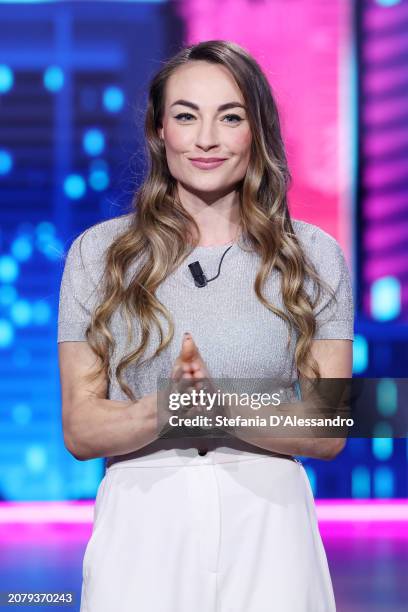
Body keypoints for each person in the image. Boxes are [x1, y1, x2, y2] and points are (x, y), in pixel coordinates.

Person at [57, 40, 354, 612]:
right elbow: (81, 428)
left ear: (257, 131)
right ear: (160, 131)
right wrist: (164, 409)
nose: (206, 139)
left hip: (272, 521)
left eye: (230, 117)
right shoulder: (100, 254)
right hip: (143, 516)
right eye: (186, 116)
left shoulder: (313, 255)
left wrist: (221, 407)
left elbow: (331, 424)